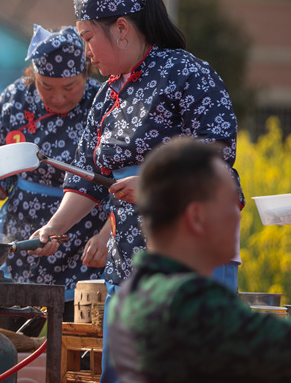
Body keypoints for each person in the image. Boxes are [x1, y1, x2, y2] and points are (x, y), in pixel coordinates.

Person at [29, 0, 243, 382]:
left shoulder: (185, 72)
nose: (85, 51)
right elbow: (90, 177)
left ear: (122, 30)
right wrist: (53, 228)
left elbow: (217, 148)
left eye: (88, 37)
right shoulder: (107, 94)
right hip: (129, 253)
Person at [107, 137, 291, 383]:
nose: (237, 217)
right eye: (231, 204)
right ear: (197, 217)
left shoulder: (135, 292)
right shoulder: (189, 303)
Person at [0, 24, 109, 323]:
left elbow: (124, 175)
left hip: (87, 236)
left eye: (69, 87)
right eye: (46, 86)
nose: (58, 98)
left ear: (85, 73)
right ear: (33, 76)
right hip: (24, 237)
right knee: (5, 341)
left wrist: (108, 235)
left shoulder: (104, 101)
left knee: (80, 346)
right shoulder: (16, 99)